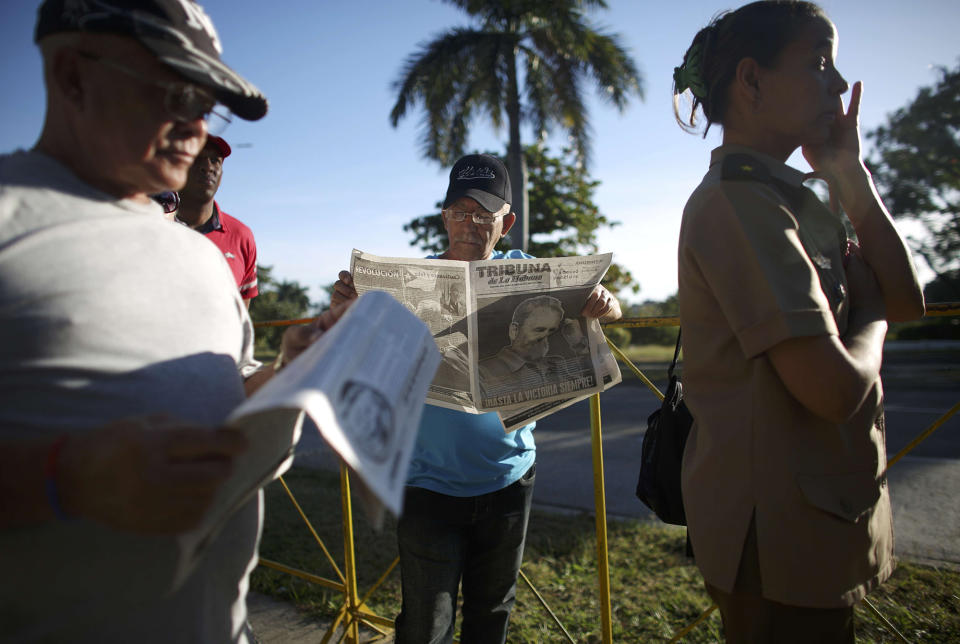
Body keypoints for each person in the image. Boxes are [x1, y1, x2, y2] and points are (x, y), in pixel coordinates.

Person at [0, 1, 343, 641]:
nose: (196, 126)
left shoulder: (201, 256)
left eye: (206, 102)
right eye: (177, 91)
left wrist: (293, 370)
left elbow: (227, 402)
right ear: (74, 75)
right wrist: (63, 478)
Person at [673, 2, 925, 641]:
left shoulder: (787, 199)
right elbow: (837, 388)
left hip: (814, 512)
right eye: (818, 63)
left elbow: (907, 301)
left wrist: (851, 177)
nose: (838, 85)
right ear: (751, 81)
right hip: (777, 532)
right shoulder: (739, 204)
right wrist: (867, 315)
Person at [331, 153, 621, 644]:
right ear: (444, 217)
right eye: (459, 212)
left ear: (505, 222)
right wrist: (344, 312)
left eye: (483, 214)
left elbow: (600, 304)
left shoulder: (527, 272)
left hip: (509, 478)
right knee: (425, 623)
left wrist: (609, 305)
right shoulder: (410, 282)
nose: (469, 225)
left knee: (492, 614)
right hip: (426, 484)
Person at [176, 134, 260, 305]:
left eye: (215, 160)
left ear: (221, 174)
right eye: (197, 158)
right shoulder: (151, 224)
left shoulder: (241, 236)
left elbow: (240, 317)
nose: (208, 167)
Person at [478, 295, 588, 396]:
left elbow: (588, 385)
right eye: (539, 330)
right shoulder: (484, 371)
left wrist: (578, 342)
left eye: (551, 331)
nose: (545, 337)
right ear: (514, 330)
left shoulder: (555, 363)